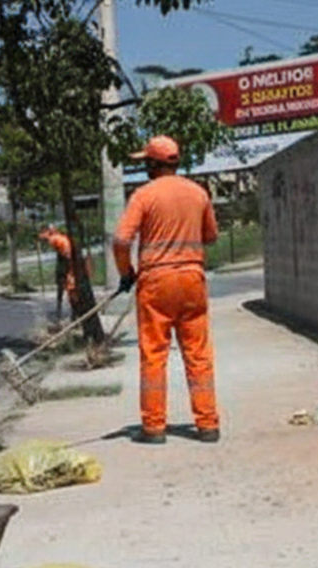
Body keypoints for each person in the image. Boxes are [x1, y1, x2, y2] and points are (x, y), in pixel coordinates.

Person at [112, 134, 221, 445]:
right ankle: (208, 424)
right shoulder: (198, 193)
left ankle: (154, 427)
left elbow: (121, 241)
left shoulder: (143, 196)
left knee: (154, 354)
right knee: (198, 354)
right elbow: (211, 236)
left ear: (151, 164)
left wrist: (126, 273)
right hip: (191, 278)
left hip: (156, 283)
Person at [39, 225, 91, 321]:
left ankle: (75, 314)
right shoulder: (59, 238)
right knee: (71, 289)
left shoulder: (54, 239)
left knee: (71, 289)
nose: (41, 237)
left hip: (72, 263)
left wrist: (65, 270)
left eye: (42, 234)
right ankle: (74, 314)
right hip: (72, 262)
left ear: (47, 232)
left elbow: (66, 253)